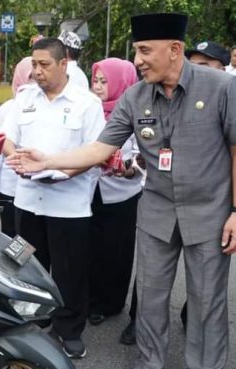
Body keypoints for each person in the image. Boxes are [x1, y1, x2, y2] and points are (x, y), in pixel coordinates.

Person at [8, 13, 236, 369]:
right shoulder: (135, 96)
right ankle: (149, 365)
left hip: (209, 214)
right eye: (137, 51)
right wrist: (48, 161)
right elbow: (100, 149)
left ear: (174, 50)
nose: (138, 59)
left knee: (207, 300)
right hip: (157, 212)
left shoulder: (221, 86)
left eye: (145, 51)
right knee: (151, 295)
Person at [0, 37, 106, 358]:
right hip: (28, 201)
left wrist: (56, 172)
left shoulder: (87, 103)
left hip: (69, 205)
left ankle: (69, 329)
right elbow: (5, 137)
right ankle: (31, 322)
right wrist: (17, 160)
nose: (37, 71)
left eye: (44, 64)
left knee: (69, 271)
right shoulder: (25, 98)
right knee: (27, 266)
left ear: (64, 64)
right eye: (33, 64)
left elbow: (94, 153)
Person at [87, 57, 142, 328]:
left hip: (123, 193)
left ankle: (109, 303)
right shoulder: (88, 109)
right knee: (89, 247)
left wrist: (128, 168)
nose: (97, 87)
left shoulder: (136, 111)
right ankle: (88, 298)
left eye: (104, 81)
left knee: (116, 250)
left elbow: (145, 153)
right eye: (95, 80)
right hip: (89, 190)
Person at [0, 56, 33, 237]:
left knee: (30, 240)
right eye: (29, 77)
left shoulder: (47, 109)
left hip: (35, 188)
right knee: (10, 236)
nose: (33, 83)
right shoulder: (8, 108)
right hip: (9, 187)